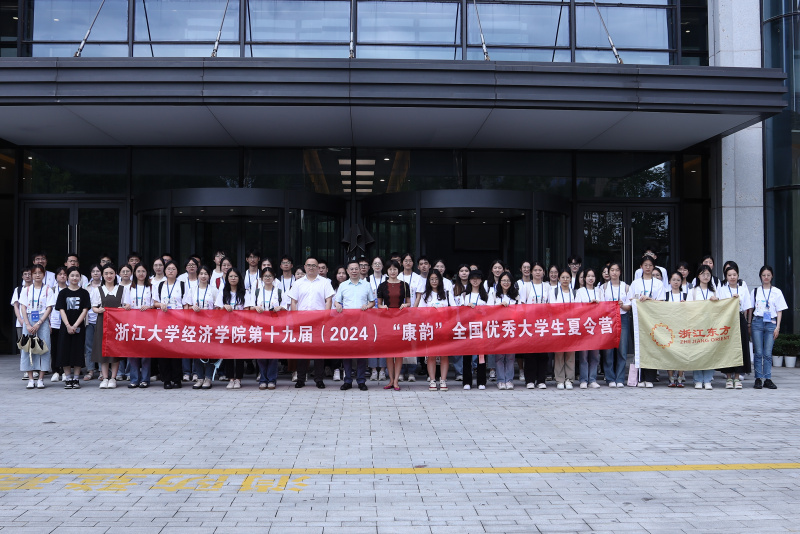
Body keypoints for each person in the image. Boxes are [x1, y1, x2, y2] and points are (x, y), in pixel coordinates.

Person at [288, 257, 335, 388]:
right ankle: (301, 379)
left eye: (314, 266)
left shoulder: (325, 282)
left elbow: (328, 300)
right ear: (305, 266)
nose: (311, 268)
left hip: (319, 321)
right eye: (308, 265)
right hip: (302, 320)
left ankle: (319, 379)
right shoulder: (298, 283)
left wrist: (325, 318)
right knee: (302, 351)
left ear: (318, 268)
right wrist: (295, 318)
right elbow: (293, 302)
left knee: (319, 351)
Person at [334, 260, 375, 391]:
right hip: (347, 324)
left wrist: (367, 306)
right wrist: (338, 305)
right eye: (351, 269)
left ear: (360, 269)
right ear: (347, 271)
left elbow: (372, 302)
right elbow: (336, 301)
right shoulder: (343, 286)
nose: (354, 271)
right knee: (347, 353)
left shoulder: (366, 285)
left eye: (356, 268)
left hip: (362, 323)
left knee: (362, 353)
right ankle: (347, 380)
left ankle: (361, 380)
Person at [247, 267, 286, 390]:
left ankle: (272, 379)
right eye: (265, 276)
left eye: (270, 276)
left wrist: (280, 308)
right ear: (262, 278)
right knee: (261, 354)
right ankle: (263, 379)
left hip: (275, 326)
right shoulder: (256, 292)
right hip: (260, 326)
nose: (268, 278)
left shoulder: (279, 292)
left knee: (273, 355)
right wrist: (255, 308)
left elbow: (286, 308)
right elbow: (249, 307)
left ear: (274, 278)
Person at [629, 255, 666, 388]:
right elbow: (630, 301)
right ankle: (640, 378)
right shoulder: (635, 283)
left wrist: (649, 300)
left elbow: (661, 302)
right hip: (638, 319)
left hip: (653, 320)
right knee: (639, 347)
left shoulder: (658, 283)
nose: (648, 268)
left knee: (652, 347)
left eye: (650, 265)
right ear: (641, 267)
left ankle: (650, 377)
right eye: (645, 265)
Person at [415, 270, 455, 391]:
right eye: (431, 279)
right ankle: (432, 380)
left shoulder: (447, 294)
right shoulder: (425, 295)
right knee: (431, 356)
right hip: (430, 329)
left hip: (444, 328)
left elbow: (453, 310)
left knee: (444, 355)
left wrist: (443, 310)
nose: (434, 281)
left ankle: (442, 380)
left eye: (436, 279)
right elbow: (420, 313)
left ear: (440, 280)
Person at [90, 263, 128, 389]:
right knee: (103, 351)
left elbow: (127, 306)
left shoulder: (122, 289)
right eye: (106, 273)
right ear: (102, 275)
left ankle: (113, 378)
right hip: (102, 323)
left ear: (115, 274)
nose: (109, 276)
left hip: (117, 324)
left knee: (115, 351)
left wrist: (125, 307)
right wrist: (98, 310)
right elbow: (94, 307)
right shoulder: (98, 290)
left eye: (111, 273)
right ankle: (105, 377)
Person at [376, 259, 411, 391]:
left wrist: (405, 305)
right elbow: (378, 304)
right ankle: (390, 379)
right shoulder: (382, 286)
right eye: (390, 269)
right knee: (389, 352)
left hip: (401, 320)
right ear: (387, 271)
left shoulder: (405, 285)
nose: (392, 271)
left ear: (398, 270)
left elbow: (409, 303)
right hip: (387, 321)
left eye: (395, 269)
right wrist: (382, 306)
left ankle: (396, 380)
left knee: (399, 352)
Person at [19, 264, 55, 389]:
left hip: (42, 320)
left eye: (40, 272)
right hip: (28, 319)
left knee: (44, 347)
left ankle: (40, 378)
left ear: (44, 274)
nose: (37, 275)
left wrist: (39, 322)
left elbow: (49, 308)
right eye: (35, 273)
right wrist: (27, 324)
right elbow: (23, 306)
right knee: (27, 347)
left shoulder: (48, 290)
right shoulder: (26, 289)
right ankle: (30, 378)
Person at [751, 265, 787, 389]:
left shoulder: (777, 291)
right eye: (763, 275)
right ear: (760, 276)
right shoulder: (755, 291)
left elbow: (780, 311)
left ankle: (767, 378)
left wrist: (778, 327)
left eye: (768, 275)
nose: (766, 277)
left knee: (767, 353)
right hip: (757, 322)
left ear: (772, 276)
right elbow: (750, 308)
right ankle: (758, 378)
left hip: (771, 323)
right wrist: (749, 324)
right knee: (758, 352)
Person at [56, 267, 91, 390]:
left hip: (79, 327)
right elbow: (61, 309)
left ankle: (76, 378)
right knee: (64, 351)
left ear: (80, 277)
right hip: (65, 326)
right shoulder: (63, 293)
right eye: (72, 275)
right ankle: (68, 378)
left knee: (77, 352)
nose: (74, 278)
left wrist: (75, 325)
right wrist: (68, 325)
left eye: (77, 275)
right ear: (68, 277)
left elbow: (85, 310)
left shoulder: (84, 293)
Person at [184, 265, 218, 389]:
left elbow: (218, 308)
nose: (203, 276)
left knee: (209, 352)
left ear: (209, 276)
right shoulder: (192, 289)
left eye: (206, 274)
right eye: (201, 274)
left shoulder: (213, 290)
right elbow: (186, 306)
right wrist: (192, 308)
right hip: (195, 325)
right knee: (197, 352)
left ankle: (208, 378)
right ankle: (199, 377)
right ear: (197, 275)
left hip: (210, 326)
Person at [153, 260, 187, 389]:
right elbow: (154, 302)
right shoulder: (160, 285)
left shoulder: (182, 285)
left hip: (178, 322)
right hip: (163, 322)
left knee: (176, 352)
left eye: (173, 269)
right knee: (164, 352)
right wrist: (160, 305)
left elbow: (186, 304)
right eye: (168, 269)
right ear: (165, 271)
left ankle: (177, 379)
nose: (171, 271)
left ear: (177, 271)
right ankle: (166, 379)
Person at [719, 264, 753, 389]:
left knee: (741, 347)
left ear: (738, 275)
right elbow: (720, 305)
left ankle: (737, 377)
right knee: (727, 347)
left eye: (734, 275)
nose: (732, 277)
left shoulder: (743, 289)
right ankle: (728, 377)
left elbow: (746, 307)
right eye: (729, 275)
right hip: (727, 320)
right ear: (726, 277)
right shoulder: (722, 289)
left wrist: (738, 300)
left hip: (739, 318)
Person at [122, 263, 154, 388]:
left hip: (147, 323)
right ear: (134, 273)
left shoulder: (151, 287)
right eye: (139, 271)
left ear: (147, 273)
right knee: (133, 352)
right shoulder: (129, 287)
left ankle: (145, 379)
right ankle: (134, 379)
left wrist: (149, 306)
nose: (141, 274)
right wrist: (127, 306)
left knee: (146, 353)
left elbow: (154, 303)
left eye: (143, 271)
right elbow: (125, 304)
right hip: (132, 323)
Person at [686, 264, 718, 389]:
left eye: (708, 274)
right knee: (697, 352)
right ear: (698, 276)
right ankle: (698, 379)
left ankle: (708, 379)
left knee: (710, 352)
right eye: (703, 274)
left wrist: (717, 300)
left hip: (710, 326)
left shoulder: (714, 291)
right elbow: (688, 308)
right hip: (697, 326)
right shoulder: (692, 291)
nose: (705, 276)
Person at [488, 271, 522, 390]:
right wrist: (499, 307)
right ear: (499, 282)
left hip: (511, 328)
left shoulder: (516, 294)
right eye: (503, 280)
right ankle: (501, 380)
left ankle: (509, 380)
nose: (506, 283)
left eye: (508, 280)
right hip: (498, 328)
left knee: (511, 356)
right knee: (500, 356)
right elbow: (488, 310)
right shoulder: (493, 293)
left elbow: (521, 310)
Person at [215, 267, 247, 389]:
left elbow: (248, 309)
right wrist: (224, 307)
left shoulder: (245, 292)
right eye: (231, 276)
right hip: (226, 327)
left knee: (239, 355)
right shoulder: (222, 292)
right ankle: (230, 378)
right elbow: (217, 309)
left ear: (239, 278)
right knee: (228, 354)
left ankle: (238, 379)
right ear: (227, 278)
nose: (233, 278)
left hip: (240, 328)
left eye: (235, 276)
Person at [460, 270, 489, 390]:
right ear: (469, 280)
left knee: (481, 357)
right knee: (467, 356)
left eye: (477, 278)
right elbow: (460, 312)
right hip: (468, 329)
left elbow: (490, 311)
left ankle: (481, 381)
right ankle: (467, 381)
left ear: (481, 280)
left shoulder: (485, 295)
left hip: (482, 329)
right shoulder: (464, 296)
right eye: (473, 278)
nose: (475, 280)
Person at [575, 267, 604, 389]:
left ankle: (592, 379)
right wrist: (588, 306)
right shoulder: (580, 291)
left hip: (596, 326)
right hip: (584, 326)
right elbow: (576, 308)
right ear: (584, 278)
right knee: (583, 355)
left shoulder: (599, 291)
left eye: (593, 276)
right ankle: (583, 379)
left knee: (595, 355)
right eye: (588, 276)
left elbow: (604, 308)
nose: (591, 278)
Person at [602, 262, 629, 388]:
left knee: (622, 350)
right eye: (612, 270)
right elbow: (600, 306)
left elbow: (629, 306)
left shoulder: (626, 287)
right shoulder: (603, 287)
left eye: (617, 270)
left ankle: (620, 378)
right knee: (608, 351)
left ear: (620, 272)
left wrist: (622, 305)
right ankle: (610, 378)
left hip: (622, 318)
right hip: (608, 319)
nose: (614, 272)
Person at [524, 261, 550, 389]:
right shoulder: (526, 286)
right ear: (531, 272)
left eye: (540, 270)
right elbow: (522, 305)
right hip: (529, 323)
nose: (538, 272)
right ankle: (529, 380)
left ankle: (541, 380)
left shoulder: (547, 287)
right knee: (530, 353)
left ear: (543, 272)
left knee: (543, 353)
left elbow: (552, 305)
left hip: (543, 323)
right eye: (535, 270)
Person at [551, 268, 576, 390]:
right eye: (563, 277)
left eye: (567, 277)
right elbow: (551, 308)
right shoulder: (553, 292)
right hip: (558, 326)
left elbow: (579, 309)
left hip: (571, 326)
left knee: (570, 354)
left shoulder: (575, 293)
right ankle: (559, 379)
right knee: (559, 355)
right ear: (559, 279)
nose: (565, 280)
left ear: (571, 279)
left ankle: (569, 379)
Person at [367, 256, 387, 381]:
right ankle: (374, 370)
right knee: (372, 342)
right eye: (375, 263)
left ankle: (383, 370)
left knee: (385, 342)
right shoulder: (367, 279)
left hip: (386, 315)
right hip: (371, 314)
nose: (377, 265)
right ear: (372, 266)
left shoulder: (388, 279)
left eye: (379, 263)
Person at [11, 266, 33, 380]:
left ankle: (35, 369)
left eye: (30, 273)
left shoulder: (37, 288)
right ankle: (26, 370)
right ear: (22, 276)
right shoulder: (19, 289)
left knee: (35, 345)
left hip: (34, 322)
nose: (28, 276)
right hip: (21, 322)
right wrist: (20, 318)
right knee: (24, 346)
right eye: (25, 274)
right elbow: (16, 305)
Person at [83, 264, 103, 381]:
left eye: (98, 271)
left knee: (100, 346)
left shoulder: (105, 286)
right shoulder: (86, 287)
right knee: (89, 346)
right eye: (93, 271)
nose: (95, 273)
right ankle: (90, 371)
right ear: (90, 274)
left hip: (101, 319)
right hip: (88, 320)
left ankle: (101, 371)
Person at [48, 267, 68, 382]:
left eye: (64, 274)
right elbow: (49, 308)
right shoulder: (52, 290)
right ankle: (55, 371)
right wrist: (49, 323)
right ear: (56, 276)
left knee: (65, 347)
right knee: (55, 348)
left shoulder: (71, 289)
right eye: (60, 274)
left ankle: (65, 371)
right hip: (54, 322)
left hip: (67, 323)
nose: (62, 276)